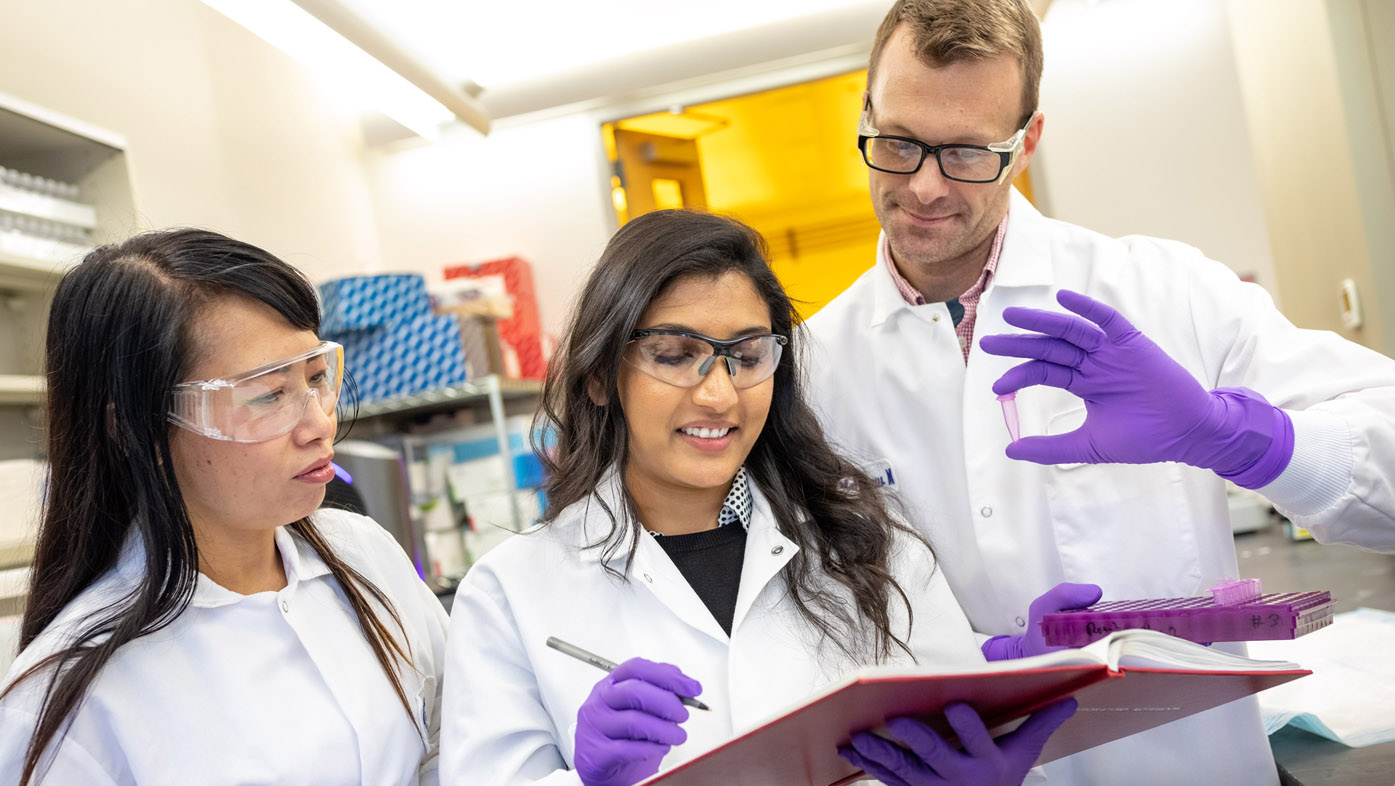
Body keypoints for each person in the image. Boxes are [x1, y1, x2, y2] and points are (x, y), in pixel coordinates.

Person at [805, 1, 1395, 784]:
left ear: (1026, 144)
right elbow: (810, 623)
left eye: (968, 153)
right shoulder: (810, 366)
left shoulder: (1163, 291)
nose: (923, 186)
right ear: (866, 116)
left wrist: (1235, 436)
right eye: (898, 143)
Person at [439, 209, 1076, 786]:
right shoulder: (510, 592)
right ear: (601, 377)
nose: (719, 395)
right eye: (675, 354)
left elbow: (961, 735)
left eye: (746, 356)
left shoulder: (866, 543)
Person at [0, 230, 448, 786]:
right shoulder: (67, 701)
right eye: (266, 396)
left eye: (315, 377)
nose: (318, 425)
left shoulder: (362, 555)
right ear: (135, 430)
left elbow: (450, 748)